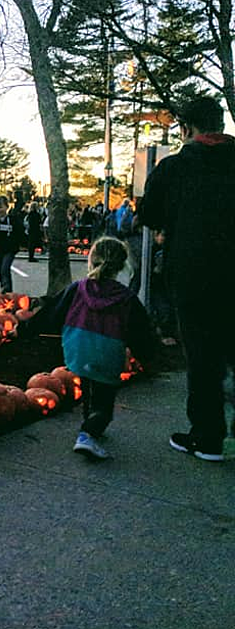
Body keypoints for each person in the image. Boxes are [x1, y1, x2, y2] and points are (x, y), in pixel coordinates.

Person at [137, 95, 235, 461]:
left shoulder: (176, 167)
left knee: (203, 355)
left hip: (195, 275)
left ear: (187, 128)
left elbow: (149, 213)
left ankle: (208, 436)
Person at [29, 237, 155, 459]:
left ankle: (90, 422)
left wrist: (23, 329)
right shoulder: (126, 298)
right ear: (121, 266)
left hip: (78, 348)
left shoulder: (78, 289)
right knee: (104, 403)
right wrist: (148, 357)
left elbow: (51, 312)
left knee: (87, 385)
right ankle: (88, 433)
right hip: (108, 352)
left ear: (91, 261)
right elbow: (141, 331)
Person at [0, 195, 24, 292]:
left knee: (5, 268)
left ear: (7, 207)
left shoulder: (13, 220)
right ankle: (3, 286)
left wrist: (21, 243)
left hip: (10, 249)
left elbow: (20, 232)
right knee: (0, 271)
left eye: (0, 207)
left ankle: (7, 289)